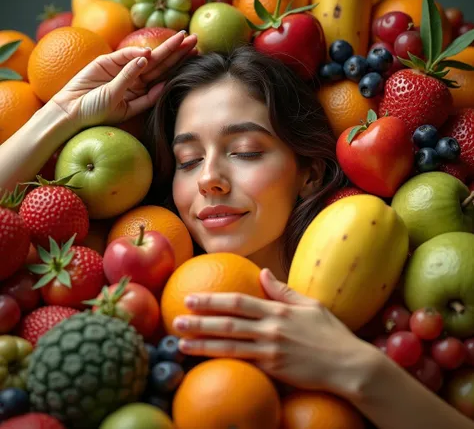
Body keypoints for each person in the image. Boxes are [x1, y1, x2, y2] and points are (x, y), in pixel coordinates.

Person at [0, 31, 472, 429]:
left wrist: (358, 370)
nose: (208, 178)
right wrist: (61, 115)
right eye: (188, 160)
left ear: (308, 172)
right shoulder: (129, 305)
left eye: (244, 150)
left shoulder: (392, 314)